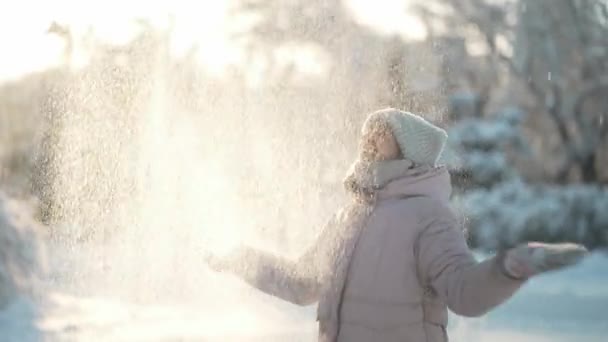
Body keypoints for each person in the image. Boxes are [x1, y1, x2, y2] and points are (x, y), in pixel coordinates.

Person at [205, 108, 588, 342]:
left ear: (409, 150)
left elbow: (463, 292)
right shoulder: (348, 217)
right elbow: (302, 282)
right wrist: (242, 260)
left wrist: (510, 267)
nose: (368, 140)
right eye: (366, 133)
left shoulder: (428, 216)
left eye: (381, 134)